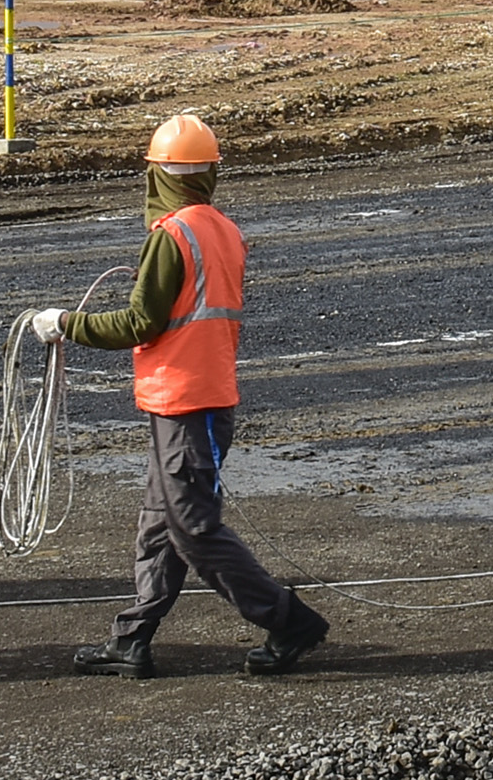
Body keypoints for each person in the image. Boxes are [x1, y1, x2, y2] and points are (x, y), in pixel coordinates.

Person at [32, 114, 329, 681]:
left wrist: (66, 323)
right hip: (195, 401)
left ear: (157, 175)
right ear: (209, 174)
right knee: (159, 525)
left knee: (193, 530)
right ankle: (132, 639)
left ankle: (289, 621)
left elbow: (140, 322)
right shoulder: (223, 229)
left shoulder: (171, 236)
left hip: (188, 406)